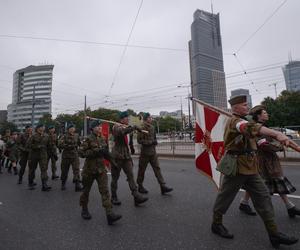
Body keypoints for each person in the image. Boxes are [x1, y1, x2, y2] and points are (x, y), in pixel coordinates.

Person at [211, 95, 298, 248]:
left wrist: (278, 139)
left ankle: (274, 234)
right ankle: (216, 224)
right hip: (237, 167)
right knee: (225, 196)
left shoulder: (245, 120)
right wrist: (277, 134)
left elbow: (256, 133)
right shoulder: (235, 122)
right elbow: (248, 128)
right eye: (244, 105)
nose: (247, 107)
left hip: (251, 167)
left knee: (264, 197)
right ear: (236, 107)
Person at [239, 105, 300, 218]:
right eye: (265, 113)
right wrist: (281, 146)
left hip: (269, 159)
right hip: (263, 160)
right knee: (265, 182)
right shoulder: (257, 129)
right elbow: (264, 145)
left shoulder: (263, 127)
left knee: (271, 181)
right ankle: (287, 207)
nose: (267, 114)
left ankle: (289, 206)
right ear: (258, 116)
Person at [79, 120, 122, 225]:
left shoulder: (103, 139)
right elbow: (81, 153)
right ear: (92, 128)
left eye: (99, 126)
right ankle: (84, 209)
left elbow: (106, 153)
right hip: (89, 170)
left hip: (101, 170)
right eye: (97, 126)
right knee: (86, 191)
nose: (99, 128)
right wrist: (95, 152)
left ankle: (109, 214)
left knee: (105, 192)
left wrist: (113, 163)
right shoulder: (87, 139)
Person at [110, 111, 148, 206]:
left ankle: (136, 196)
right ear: (121, 119)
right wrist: (132, 127)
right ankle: (113, 196)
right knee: (115, 178)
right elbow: (121, 133)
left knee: (130, 176)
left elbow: (129, 141)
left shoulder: (128, 127)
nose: (128, 119)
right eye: (126, 118)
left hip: (126, 156)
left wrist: (132, 148)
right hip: (117, 156)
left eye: (128, 118)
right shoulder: (116, 127)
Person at [137, 112, 173, 194]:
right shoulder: (141, 128)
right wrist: (150, 142)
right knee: (142, 170)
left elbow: (154, 138)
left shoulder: (152, 127)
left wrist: (155, 141)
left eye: (151, 117)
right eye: (150, 118)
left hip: (153, 152)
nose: (151, 119)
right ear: (146, 119)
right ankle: (140, 186)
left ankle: (163, 186)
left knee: (157, 169)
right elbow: (139, 140)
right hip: (145, 153)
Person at [58, 123, 83, 191]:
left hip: (74, 155)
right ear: (68, 129)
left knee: (76, 170)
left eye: (73, 128)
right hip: (66, 156)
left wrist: (81, 147)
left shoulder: (76, 135)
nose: (72, 129)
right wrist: (69, 146)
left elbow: (79, 143)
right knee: (64, 171)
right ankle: (63, 184)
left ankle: (77, 185)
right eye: (71, 128)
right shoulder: (64, 136)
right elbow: (60, 144)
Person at [27, 124, 51, 191]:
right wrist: (37, 146)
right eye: (41, 127)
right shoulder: (33, 136)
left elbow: (49, 145)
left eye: (43, 127)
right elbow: (28, 145)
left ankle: (44, 185)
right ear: (37, 129)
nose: (42, 128)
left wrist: (52, 153)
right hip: (34, 155)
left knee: (44, 170)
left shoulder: (46, 136)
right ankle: (30, 183)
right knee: (32, 170)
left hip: (43, 155)